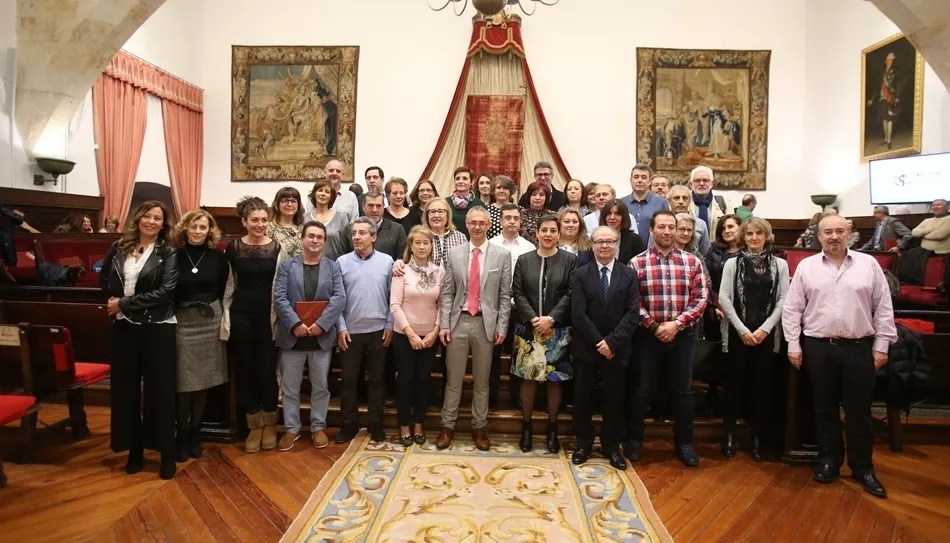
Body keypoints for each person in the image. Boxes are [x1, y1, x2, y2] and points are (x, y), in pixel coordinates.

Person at [782, 215, 896, 498]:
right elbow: (792, 309)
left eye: (839, 231)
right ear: (819, 236)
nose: (834, 236)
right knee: (824, 409)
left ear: (850, 234)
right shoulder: (807, 267)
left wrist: (882, 344)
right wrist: (793, 345)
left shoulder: (869, 265)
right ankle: (830, 460)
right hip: (819, 347)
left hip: (859, 347)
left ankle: (863, 467)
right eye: (828, 232)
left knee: (859, 412)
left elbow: (883, 307)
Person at [99, 201, 179, 480]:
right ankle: (134, 450)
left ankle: (167, 452)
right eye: (148, 216)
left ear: (163, 224)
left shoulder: (168, 252)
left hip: (157, 328)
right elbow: (104, 278)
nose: (152, 222)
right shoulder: (118, 248)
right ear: (138, 219)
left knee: (161, 392)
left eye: (158, 218)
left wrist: (123, 303)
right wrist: (116, 302)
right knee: (126, 391)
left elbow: (166, 292)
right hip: (124, 329)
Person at [628, 210, 709, 467]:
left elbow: (701, 298)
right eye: (661, 227)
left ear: (677, 231)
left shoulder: (692, 262)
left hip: (682, 336)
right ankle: (634, 440)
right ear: (651, 231)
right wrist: (654, 326)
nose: (666, 231)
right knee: (641, 389)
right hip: (646, 336)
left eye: (671, 227)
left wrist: (676, 324)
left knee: (683, 391)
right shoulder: (637, 263)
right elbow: (632, 302)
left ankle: (684, 443)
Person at [436, 206, 512, 451]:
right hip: (459, 321)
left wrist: (501, 326)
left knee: (482, 380)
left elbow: (504, 295)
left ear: (489, 225)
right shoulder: (455, 254)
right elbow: (447, 293)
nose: (477, 226)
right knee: (453, 379)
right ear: (466, 225)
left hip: (485, 323)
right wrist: (445, 324)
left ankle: (479, 426)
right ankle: (447, 426)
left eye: (482, 223)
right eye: (473, 223)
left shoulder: (501, 255)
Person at [718, 217, 789, 461]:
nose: (754, 238)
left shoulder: (780, 265)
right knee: (733, 386)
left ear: (767, 236)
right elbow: (724, 298)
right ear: (743, 237)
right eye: (749, 234)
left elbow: (783, 300)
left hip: (766, 335)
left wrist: (766, 329)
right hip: (739, 334)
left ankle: (759, 438)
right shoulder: (731, 263)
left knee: (762, 388)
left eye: (759, 233)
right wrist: (742, 330)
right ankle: (729, 435)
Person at [571, 226, 641, 470]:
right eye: (599, 242)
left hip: (617, 348)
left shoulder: (629, 274)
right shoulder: (580, 274)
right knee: (583, 398)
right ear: (592, 245)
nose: (604, 246)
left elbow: (633, 313)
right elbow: (578, 314)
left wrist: (612, 342)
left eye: (609, 242)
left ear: (616, 245)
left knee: (615, 400)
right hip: (587, 348)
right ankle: (583, 444)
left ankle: (611, 446)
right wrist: (598, 342)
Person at [273, 221, 346, 451]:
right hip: (292, 336)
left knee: (321, 386)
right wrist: (295, 323)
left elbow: (339, 298)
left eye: (319, 237)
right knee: (291, 386)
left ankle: (318, 426)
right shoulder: (286, 266)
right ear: (302, 239)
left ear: (324, 241)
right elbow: (280, 297)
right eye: (311, 236)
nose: (315, 240)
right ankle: (291, 429)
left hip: (320, 337)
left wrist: (321, 325)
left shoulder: (333, 267)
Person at [511, 215, 576, 453]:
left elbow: (571, 292)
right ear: (536, 233)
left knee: (554, 380)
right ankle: (526, 427)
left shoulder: (570, 260)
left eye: (553, 231)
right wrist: (533, 318)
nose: (548, 235)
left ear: (559, 234)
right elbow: (517, 292)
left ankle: (552, 429)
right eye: (544, 230)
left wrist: (551, 318)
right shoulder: (524, 259)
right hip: (528, 329)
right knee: (528, 379)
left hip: (557, 330)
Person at [225, 196, 284, 453]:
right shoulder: (234, 248)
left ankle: (270, 422)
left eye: (263, 220)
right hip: (241, 315)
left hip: (268, 317)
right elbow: (229, 284)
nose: (260, 225)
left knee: (266, 370)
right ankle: (254, 424)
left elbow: (281, 286)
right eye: (254, 220)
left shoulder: (276, 248)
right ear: (244, 222)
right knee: (246, 369)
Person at [172, 209, 230, 463]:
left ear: (210, 231)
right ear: (185, 228)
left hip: (210, 320)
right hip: (183, 321)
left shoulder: (218, 258)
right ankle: (181, 433)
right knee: (185, 383)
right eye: (194, 226)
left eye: (203, 227)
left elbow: (223, 289)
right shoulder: (173, 256)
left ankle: (195, 433)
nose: (198, 231)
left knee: (205, 380)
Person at [335, 217, 395, 444]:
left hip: (379, 331)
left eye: (362, 233)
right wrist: (340, 327)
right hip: (350, 332)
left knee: (378, 380)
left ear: (374, 237)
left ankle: (375, 424)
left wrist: (390, 324)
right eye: (354, 233)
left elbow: (393, 297)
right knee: (349, 380)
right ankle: (348, 425)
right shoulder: (341, 262)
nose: (357, 237)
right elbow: (337, 299)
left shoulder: (388, 261)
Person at [390, 226, 444, 446]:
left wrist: (435, 330)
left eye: (426, 243)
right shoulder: (401, 270)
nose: (422, 247)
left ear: (431, 246)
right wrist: (410, 334)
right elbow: (394, 305)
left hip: (430, 336)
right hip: (404, 335)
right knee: (405, 381)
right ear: (410, 247)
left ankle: (419, 423)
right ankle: (404, 426)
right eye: (417, 243)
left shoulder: (439, 271)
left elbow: (442, 304)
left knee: (423, 381)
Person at [488, 203, 535, 407]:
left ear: (520, 221)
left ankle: (517, 398)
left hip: (520, 307)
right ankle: (491, 396)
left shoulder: (528, 247)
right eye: (508, 218)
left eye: (516, 218)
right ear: (501, 220)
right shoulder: (491, 244)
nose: (512, 222)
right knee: (493, 354)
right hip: (495, 306)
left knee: (519, 354)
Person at [342, 190, 407, 260]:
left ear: (383, 207)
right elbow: (343, 257)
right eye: (370, 206)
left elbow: (402, 258)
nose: (374, 210)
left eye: (378, 206)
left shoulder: (397, 229)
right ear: (363, 206)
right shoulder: (350, 229)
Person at [621, 163, 669, 245]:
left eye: (644, 177)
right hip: (626, 252)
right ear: (630, 180)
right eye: (636, 177)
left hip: (652, 252)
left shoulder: (661, 203)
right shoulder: (622, 203)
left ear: (650, 181)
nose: (639, 180)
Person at [307, 178, 350, 261]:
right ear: (314, 194)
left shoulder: (342, 217)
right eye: (320, 190)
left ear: (331, 197)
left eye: (327, 192)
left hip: (335, 266)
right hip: (308, 265)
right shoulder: (304, 218)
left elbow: (346, 245)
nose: (323, 194)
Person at [688, 166, 733, 241]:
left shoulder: (724, 203)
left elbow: (733, 229)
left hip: (717, 250)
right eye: (697, 180)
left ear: (712, 184)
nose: (701, 183)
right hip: (689, 249)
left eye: (705, 180)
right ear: (691, 184)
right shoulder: (684, 204)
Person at [667, 184, 711, 254]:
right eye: (676, 198)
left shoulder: (700, 224)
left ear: (690, 201)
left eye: (685, 198)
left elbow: (705, 252)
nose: (681, 201)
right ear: (669, 201)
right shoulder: (661, 223)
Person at [599, 200, 645, 265]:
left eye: (617, 214)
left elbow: (639, 265)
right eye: (609, 214)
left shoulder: (635, 240)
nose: (612, 217)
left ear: (624, 217)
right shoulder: (596, 238)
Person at [446, 166, 485, 236]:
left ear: (472, 182)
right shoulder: (445, 203)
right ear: (454, 182)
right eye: (457, 179)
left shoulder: (479, 204)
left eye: (465, 178)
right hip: (450, 243)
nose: (461, 181)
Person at [267, 187, 304, 257]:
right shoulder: (269, 229)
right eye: (285, 201)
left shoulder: (302, 229)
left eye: (293, 201)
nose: (289, 204)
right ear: (277, 204)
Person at [521, 181, 553, 246]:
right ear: (528, 197)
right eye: (534, 194)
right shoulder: (520, 214)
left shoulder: (553, 216)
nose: (537, 198)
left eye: (541, 195)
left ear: (546, 198)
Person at [487, 175, 518, 239]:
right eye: (498, 188)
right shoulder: (486, 210)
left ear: (510, 191)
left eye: (505, 188)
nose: (502, 191)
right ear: (493, 190)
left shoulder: (519, 210)